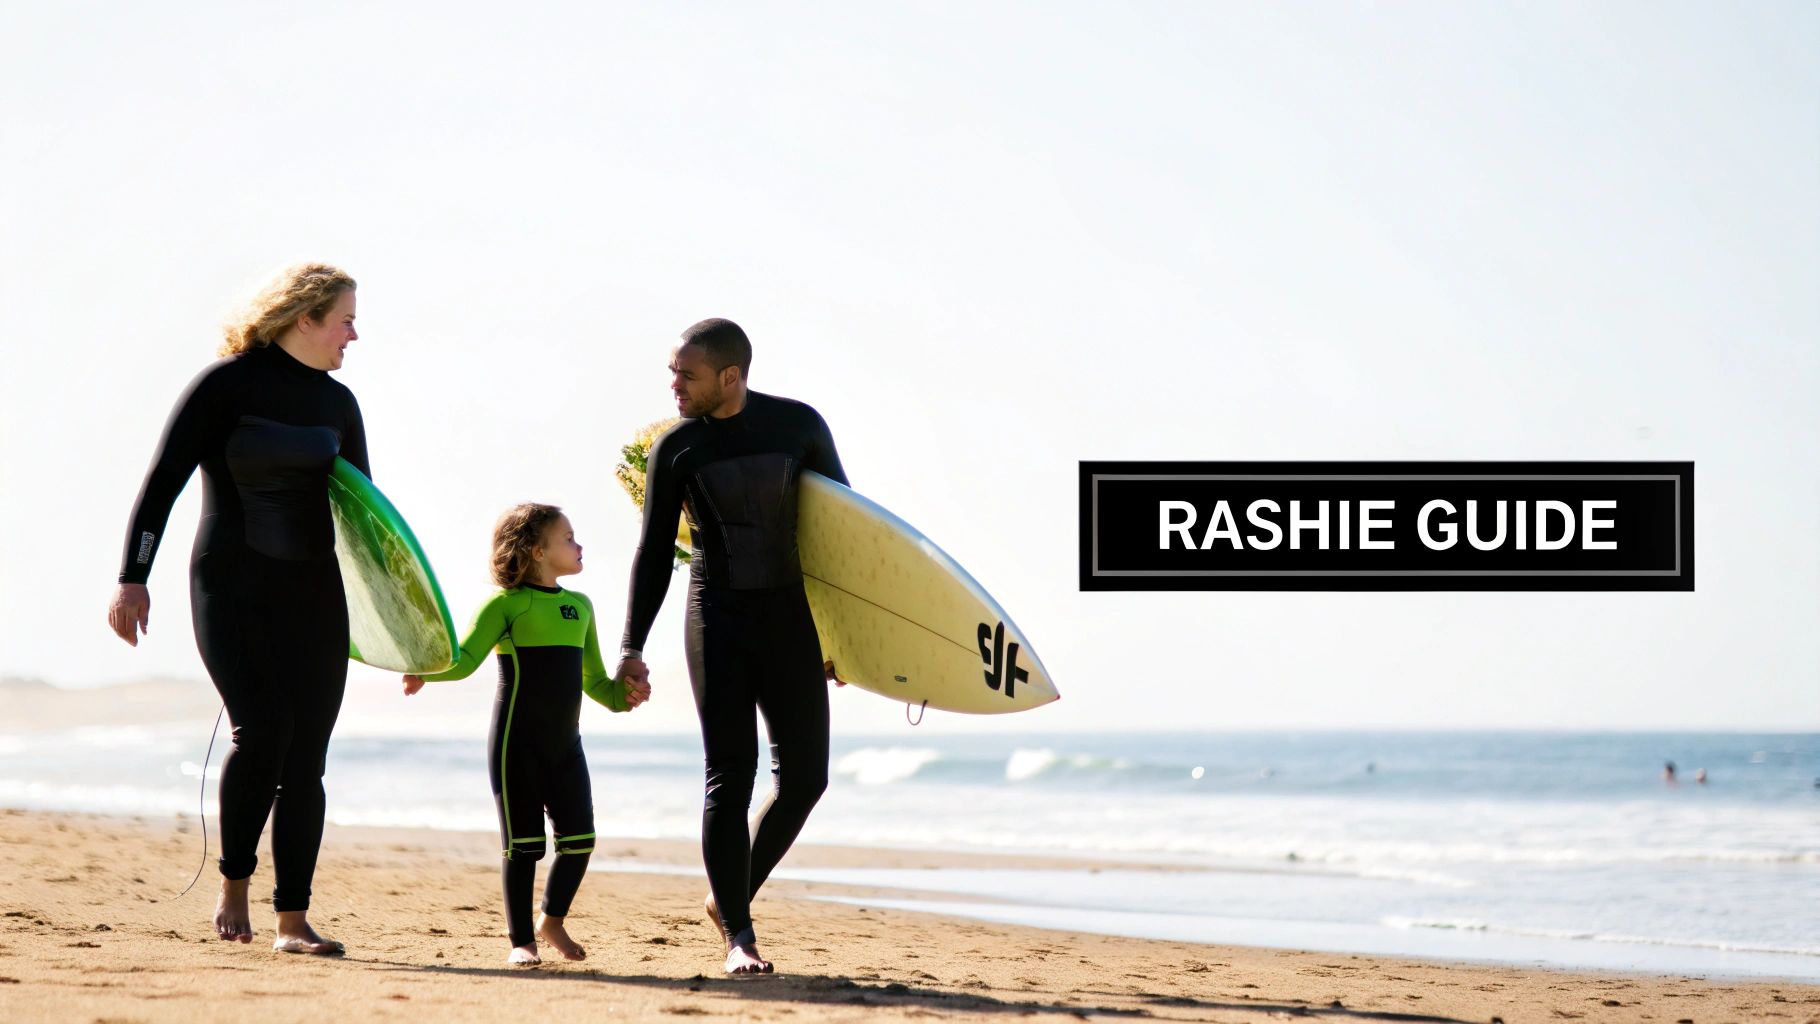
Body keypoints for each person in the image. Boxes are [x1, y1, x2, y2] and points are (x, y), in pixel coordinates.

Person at [106, 263, 365, 954]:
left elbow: (371, 529)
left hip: (315, 593)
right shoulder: (226, 385)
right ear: (305, 318)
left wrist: (406, 634)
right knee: (265, 728)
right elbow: (162, 482)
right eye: (345, 318)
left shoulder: (339, 405)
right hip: (231, 584)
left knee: (307, 754)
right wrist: (133, 578)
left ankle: (293, 921)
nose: (354, 333)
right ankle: (235, 883)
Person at [616, 318, 846, 975]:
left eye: (685, 374)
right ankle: (739, 936)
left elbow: (845, 538)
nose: (674, 385)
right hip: (715, 616)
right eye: (672, 372)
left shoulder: (798, 427)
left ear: (730, 377)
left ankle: (729, 893)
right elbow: (655, 551)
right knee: (731, 774)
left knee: (806, 778)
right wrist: (632, 645)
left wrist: (844, 639)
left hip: (789, 617)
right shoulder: (679, 449)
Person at [405, 504, 650, 965]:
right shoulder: (505, 605)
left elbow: (596, 683)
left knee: (580, 840)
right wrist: (425, 672)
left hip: (565, 747)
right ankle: (522, 941)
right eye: (569, 538)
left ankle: (551, 921)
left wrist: (627, 696)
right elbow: (464, 660)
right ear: (538, 551)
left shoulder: (580, 608)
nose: (579, 546)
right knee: (524, 847)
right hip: (516, 746)